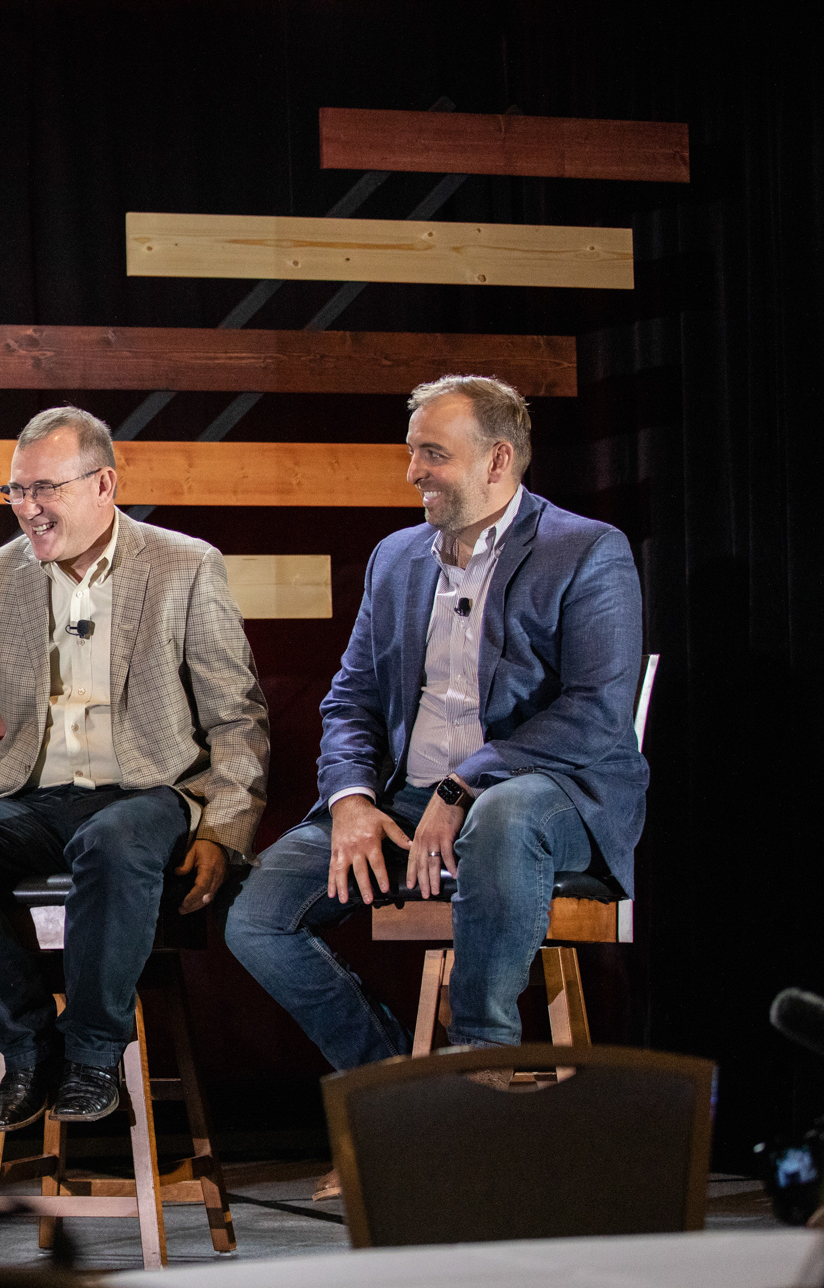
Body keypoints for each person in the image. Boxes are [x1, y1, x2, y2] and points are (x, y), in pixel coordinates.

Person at [224, 374, 647, 1078]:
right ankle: (400, 1089)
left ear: (498, 461)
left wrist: (464, 785)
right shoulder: (396, 558)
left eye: (433, 453)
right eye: (412, 451)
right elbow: (351, 698)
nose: (413, 471)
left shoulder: (588, 550)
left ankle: (482, 1059)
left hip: (551, 797)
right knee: (256, 914)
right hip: (409, 802)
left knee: (503, 816)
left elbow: (595, 712)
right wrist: (353, 799)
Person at [0, 406, 270, 1131]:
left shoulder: (185, 565)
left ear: (104, 484)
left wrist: (224, 831)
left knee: (115, 839)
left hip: (150, 791)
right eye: (15, 491)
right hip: (35, 797)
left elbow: (238, 718)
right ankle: (29, 1048)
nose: (28, 508)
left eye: (45, 489)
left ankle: (95, 1053)